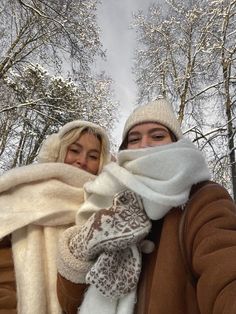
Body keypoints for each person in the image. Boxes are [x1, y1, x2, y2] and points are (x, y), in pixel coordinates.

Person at [57, 98, 236, 314]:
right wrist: (81, 249)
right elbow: (69, 305)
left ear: (175, 142)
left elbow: (225, 271)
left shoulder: (202, 198)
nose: (144, 144)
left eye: (158, 136)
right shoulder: (104, 199)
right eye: (134, 139)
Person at [0, 120, 111, 314]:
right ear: (58, 150)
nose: (82, 161)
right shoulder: (24, 188)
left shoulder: (104, 204)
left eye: (93, 156)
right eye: (74, 150)